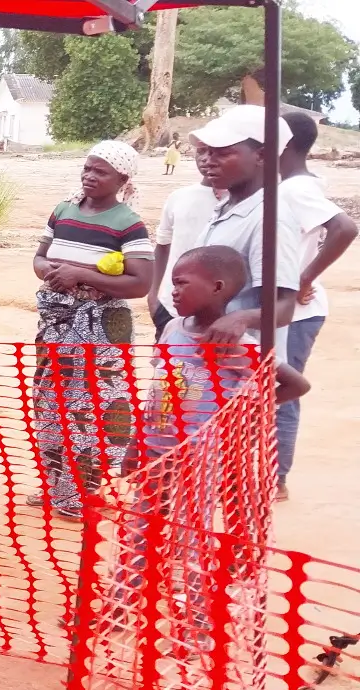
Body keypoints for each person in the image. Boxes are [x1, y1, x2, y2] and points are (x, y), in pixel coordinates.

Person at [106, 246, 309, 643]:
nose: (174, 290)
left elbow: (295, 384)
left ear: (217, 287)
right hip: (155, 451)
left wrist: (243, 412)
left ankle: (196, 620)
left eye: (182, 282)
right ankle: (118, 607)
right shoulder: (173, 329)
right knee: (138, 529)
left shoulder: (239, 345)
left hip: (199, 458)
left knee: (191, 537)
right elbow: (156, 389)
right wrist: (135, 443)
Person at [28, 141, 153, 519]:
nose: (90, 176)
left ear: (122, 179)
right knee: (51, 403)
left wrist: (81, 275)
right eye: (87, 168)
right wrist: (50, 272)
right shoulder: (63, 211)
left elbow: (140, 283)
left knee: (93, 407)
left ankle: (84, 491)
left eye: (101, 171)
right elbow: (39, 257)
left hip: (102, 329)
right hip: (56, 323)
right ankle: (56, 488)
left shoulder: (128, 223)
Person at [274, 111, 357, 500]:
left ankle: (277, 479)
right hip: (290, 308)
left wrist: (304, 278)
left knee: (281, 391)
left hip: (298, 310)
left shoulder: (295, 190)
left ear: (285, 143)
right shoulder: (288, 185)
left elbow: (345, 227)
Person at [188, 106, 302, 347]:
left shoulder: (270, 219)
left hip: (244, 368)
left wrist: (241, 318)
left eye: (222, 153)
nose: (208, 161)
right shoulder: (227, 207)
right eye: (205, 151)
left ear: (262, 156)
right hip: (211, 361)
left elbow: (284, 306)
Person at [148, 147, 219, 333]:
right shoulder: (178, 197)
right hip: (170, 308)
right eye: (201, 151)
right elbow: (162, 246)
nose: (205, 159)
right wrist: (153, 295)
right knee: (165, 362)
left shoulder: (242, 203)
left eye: (213, 152)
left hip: (216, 318)